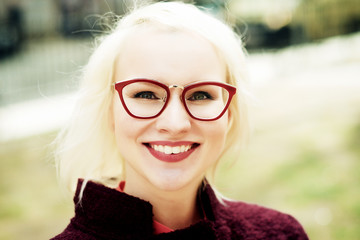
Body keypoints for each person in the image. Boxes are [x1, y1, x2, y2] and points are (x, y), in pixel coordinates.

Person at [51, 2, 308, 239]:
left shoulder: (281, 234)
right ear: (110, 110)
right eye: (146, 94)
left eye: (200, 94)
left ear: (229, 114)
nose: (175, 123)